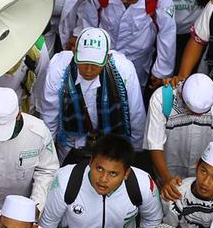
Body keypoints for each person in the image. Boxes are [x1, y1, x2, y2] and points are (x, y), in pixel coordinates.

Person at [38, 27, 145, 160]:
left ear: (107, 58)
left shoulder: (124, 70)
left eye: (95, 65)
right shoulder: (58, 68)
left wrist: (134, 150)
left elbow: (136, 113)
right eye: (83, 63)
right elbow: (49, 113)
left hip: (112, 143)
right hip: (71, 144)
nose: (88, 70)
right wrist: (48, 150)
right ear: (74, 52)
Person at [80, 0, 177, 84]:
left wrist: (161, 71)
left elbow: (167, 32)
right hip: (102, 54)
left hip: (138, 59)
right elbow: (88, 22)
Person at [147, 73, 213, 181]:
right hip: (168, 169)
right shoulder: (160, 98)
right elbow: (155, 144)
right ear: (180, 95)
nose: (196, 116)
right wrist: (167, 180)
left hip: (206, 177)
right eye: (191, 111)